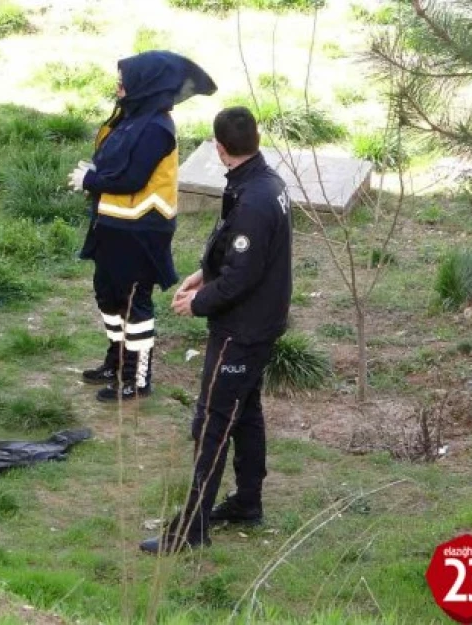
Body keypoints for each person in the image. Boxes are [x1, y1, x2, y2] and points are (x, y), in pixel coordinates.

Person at [140, 106, 293, 555]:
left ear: (219, 148)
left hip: (242, 330)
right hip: (261, 322)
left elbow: (243, 274)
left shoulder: (254, 200)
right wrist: (205, 274)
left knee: (212, 422)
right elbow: (242, 256)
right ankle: (247, 501)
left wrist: (199, 302)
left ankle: (192, 528)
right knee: (245, 412)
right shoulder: (264, 182)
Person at [67, 51, 216, 404]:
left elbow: (133, 178)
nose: (119, 86)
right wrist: (98, 171)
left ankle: (137, 378)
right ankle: (116, 363)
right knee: (108, 295)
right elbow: (116, 164)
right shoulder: (133, 116)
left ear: (146, 83)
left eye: (125, 79)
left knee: (134, 304)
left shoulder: (157, 127)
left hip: (142, 231)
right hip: (114, 225)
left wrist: (92, 179)